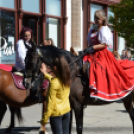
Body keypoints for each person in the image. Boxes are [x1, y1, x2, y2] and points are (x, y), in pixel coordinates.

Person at [82, 9, 134, 102]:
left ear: (102, 19)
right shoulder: (92, 30)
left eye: (97, 18)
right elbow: (90, 43)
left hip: (102, 53)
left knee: (98, 67)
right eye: (94, 18)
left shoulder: (104, 29)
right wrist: (88, 49)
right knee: (82, 65)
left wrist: (92, 47)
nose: (95, 20)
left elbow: (104, 45)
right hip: (92, 53)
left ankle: (99, 91)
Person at [40, 56, 71, 134]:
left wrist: (44, 121)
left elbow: (50, 105)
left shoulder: (54, 83)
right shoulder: (67, 78)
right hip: (67, 111)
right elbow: (55, 81)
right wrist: (45, 74)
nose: (50, 67)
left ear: (56, 67)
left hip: (56, 114)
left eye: (51, 65)